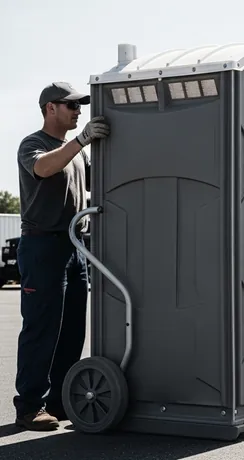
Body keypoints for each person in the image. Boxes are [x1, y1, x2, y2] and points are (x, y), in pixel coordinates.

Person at [13, 82, 109, 431]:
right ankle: (29, 407)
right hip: (42, 247)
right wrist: (81, 140)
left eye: (79, 105)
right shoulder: (34, 145)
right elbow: (43, 169)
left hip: (74, 247)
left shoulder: (78, 153)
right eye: (70, 106)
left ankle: (59, 402)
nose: (77, 110)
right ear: (49, 108)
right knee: (41, 329)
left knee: (71, 331)